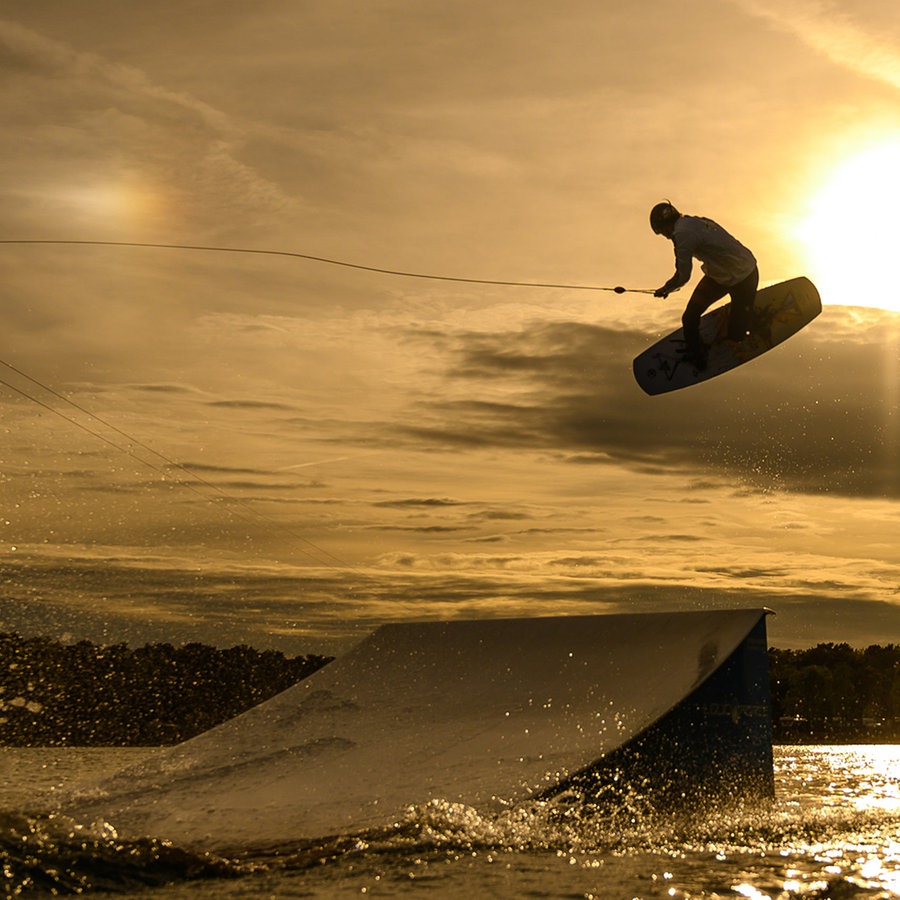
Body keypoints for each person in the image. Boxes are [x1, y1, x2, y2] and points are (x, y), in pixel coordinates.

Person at [650, 201, 759, 370]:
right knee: (690, 317)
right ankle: (741, 321)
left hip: (744, 278)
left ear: (665, 226)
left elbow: (683, 276)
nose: (665, 237)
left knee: (732, 334)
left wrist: (667, 288)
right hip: (727, 274)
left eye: (662, 233)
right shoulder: (693, 221)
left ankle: (700, 359)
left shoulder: (682, 235)